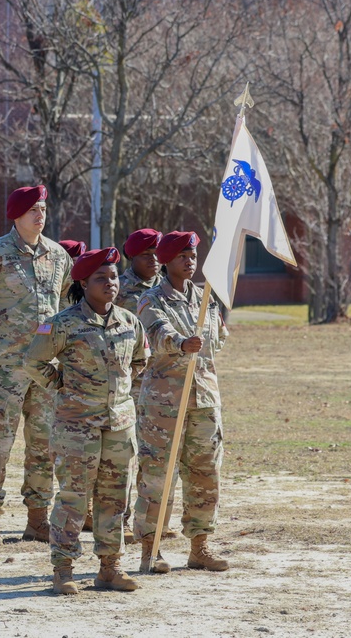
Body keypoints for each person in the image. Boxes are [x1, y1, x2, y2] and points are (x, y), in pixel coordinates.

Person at [0, 185, 72, 546]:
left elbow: (66, 300)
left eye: (42, 209)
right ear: (16, 215)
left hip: (46, 367)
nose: (40, 215)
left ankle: (37, 519)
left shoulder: (58, 255)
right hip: (6, 366)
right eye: (33, 209)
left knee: (43, 444)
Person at [25, 247, 146, 595]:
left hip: (119, 426)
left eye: (113, 277)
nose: (110, 283)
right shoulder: (62, 323)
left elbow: (141, 360)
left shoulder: (129, 321)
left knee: (114, 498)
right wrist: (62, 384)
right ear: (83, 282)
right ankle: (63, 569)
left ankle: (110, 568)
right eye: (101, 278)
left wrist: (119, 391)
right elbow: (33, 362)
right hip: (77, 428)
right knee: (73, 499)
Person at [133, 231, 230, 574]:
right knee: (158, 475)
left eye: (192, 256)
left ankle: (199, 545)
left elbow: (218, 340)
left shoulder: (205, 298)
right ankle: (151, 548)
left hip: (203, 398)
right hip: (165, 403)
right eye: (182, 257)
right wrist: (180, 342)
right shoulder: (150, 298)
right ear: (166, 262)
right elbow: (156, 333)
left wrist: (205, 339)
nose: (189, 262)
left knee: (205, 473)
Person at [116, 228, 164, 543]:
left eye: (157, 253)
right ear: (131, 257)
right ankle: (116, 521)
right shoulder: (116, 290)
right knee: (125, 457)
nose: (154, 260)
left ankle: (152, 522)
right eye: (146, 254)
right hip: (129, 387)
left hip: (162, 386)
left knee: (156, 456)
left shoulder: (166, 289)